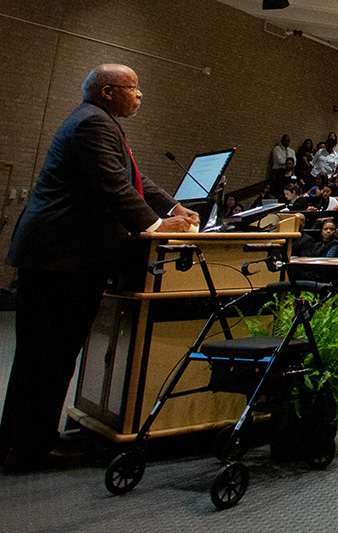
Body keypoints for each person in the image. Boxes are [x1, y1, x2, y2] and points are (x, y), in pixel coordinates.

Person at [1, 64, 200, 472]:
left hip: (61, 256)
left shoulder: (97, 121)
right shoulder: (94, 123)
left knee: (44, 353)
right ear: (109, 92)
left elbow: (134, 178)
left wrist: (171, 205)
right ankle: (30, 448)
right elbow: (114, 187)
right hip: (63, 258)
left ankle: (21, 439)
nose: (140, 95)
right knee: (49, 354)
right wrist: (161, 226)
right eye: (134, 89)